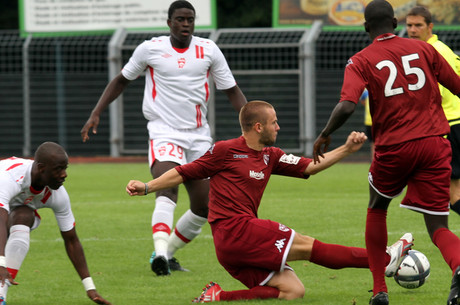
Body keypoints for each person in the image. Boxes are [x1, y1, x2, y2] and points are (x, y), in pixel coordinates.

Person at [127, 100, 412, 303]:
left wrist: (347, 149)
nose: (279, 126)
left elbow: (310, 166)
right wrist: (147, 186)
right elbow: (182, 171)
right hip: (235, 231)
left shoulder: (270, 155)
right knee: (309, 246)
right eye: (274, 122)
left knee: (292, 290)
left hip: (234, 246)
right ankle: (384, 260)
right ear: (258, 126)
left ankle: (217, 296)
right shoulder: (225, 151)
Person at [80, 0, 247, 276]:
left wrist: (253, 123)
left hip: (199, 136)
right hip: (163, 132)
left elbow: (231, 90)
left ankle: (165, 255)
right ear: (169, 22)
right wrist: (96, 112)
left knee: (205, 207)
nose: (185, 24)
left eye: (190, 19)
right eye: (180, 19)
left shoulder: (208, 50)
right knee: (167, 188)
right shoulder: (150, 49)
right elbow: (121, 79)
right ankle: (159, 252)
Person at [312, 1, 460, 304]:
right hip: (434, 143)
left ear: (366, 27)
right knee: (437, 224)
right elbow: (457, 86)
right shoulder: (427, 50)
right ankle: (459, 266)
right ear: (395, 22)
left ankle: (380, 289)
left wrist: (325, 134)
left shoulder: (359, 60)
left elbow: (347, 105)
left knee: (377, 207)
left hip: (394, 147)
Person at [0, 142, 111, 305]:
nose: (64, 174)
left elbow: (71, 240)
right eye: (58, 169)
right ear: (41, 168)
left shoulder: (58, 195)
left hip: (13, 209)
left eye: (65, 168)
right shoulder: (9, 178)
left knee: (24, 216)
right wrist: (1, 263)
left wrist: (90, 288)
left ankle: (1, 295)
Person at [406, 6, 460, 216]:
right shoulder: (439, 48)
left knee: (450, 195)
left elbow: (433, 95)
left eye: (418, 25)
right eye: (409, 25)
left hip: (449, 126)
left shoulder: (432, 51)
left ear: (430, 27)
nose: (412, 30)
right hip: (453, 123)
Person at [359, 89, 374, 160]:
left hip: (369, 121)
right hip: (371, 121)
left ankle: (374, 161)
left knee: (373, 144)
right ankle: (375, 161)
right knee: (375, 143)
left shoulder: (366, 90)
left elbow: (362, 101)